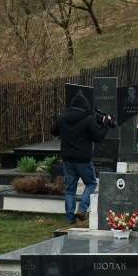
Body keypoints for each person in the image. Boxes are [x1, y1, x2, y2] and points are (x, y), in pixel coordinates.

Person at [50, 92, 111, 224]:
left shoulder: (63, 118)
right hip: (83, 159)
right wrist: (105, 125)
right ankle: (82, 209)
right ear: (85, 106)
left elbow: (53, 131)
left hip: (67, 159)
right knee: (91, 183)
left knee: (70, 189)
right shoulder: (88, 119)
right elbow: (98, 137)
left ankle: (70, 218)